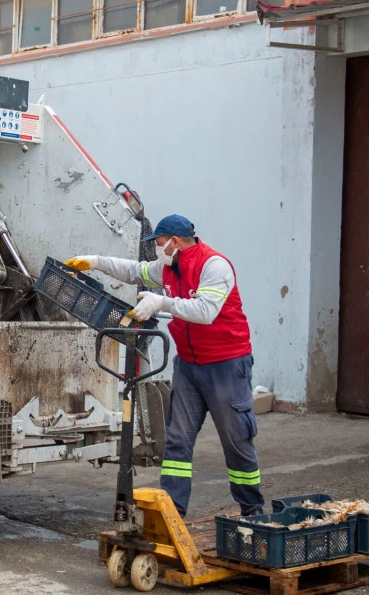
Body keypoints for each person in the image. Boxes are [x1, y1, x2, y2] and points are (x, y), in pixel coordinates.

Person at [66, 214, 263, 517]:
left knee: (236, 441)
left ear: (175, 240)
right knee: (177, 441)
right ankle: (173, 514)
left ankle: (253, 511)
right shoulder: (169, 267)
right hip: (188, 365)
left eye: (159, 242)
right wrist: (95, 261)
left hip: (226, 365)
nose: (156, 247)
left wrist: (162, 303)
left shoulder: (214, 266)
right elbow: (134, 271)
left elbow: (206, 312)